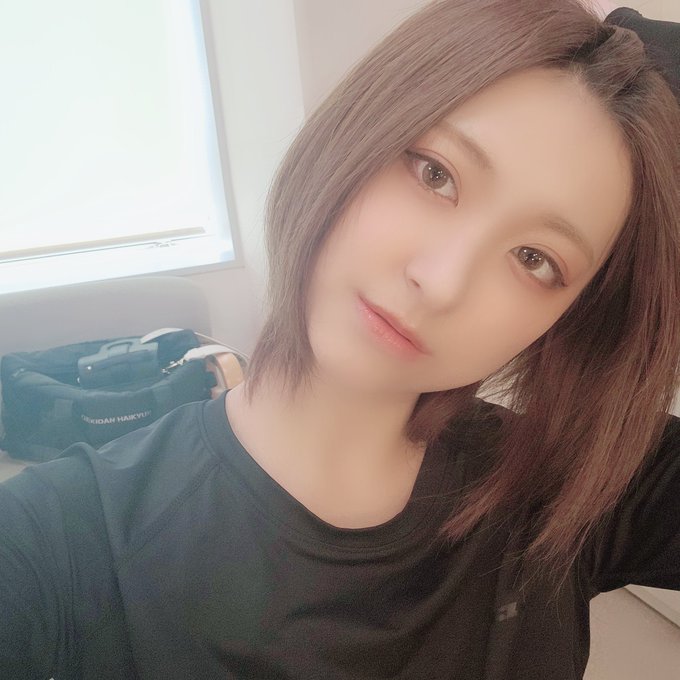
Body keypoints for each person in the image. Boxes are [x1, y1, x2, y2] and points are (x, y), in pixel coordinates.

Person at [1, 1, 679, 678]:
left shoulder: (570, 488)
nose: (441, 282)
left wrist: (634, 62)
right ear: (356, 130)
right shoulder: (52, 543)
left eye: (535, 259)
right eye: (435, 173)